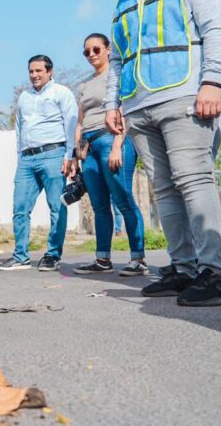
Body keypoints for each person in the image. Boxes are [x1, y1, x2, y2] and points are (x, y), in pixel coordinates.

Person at [105, 0, 221, 305]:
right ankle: (183, 268)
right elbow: (116, 59)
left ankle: (216, 271)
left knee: (193, 180)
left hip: (185, 96)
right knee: (163, 189)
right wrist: (112, 103)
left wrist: (213, 81)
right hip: (137, 106)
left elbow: (216, 30)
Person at [72, 33, 147, 276]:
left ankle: (138, 259)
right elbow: (80, 121)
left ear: (108, 50)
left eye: (96, 49)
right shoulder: (84, 84)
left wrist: (117, 145)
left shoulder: (118, 76)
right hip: (90, 147)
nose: (91, 54)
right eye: (87, 51)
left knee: (123, 199)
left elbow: (123, 110)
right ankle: (102, 259)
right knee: (100, 206)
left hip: (112, 140)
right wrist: (76, 153)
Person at [0, 54, 77, 272]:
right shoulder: (24, 97)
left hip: (53, 154)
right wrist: (19, 157)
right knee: (20, 208)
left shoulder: (61, 92)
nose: (34, 75)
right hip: (27, 158)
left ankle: (53, 255)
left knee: (57, 207)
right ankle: (20, 256)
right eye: (31, 71)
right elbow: (19, 128)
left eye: (38, 71)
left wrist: (69, 155)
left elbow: (71, 124)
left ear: (49, 71)